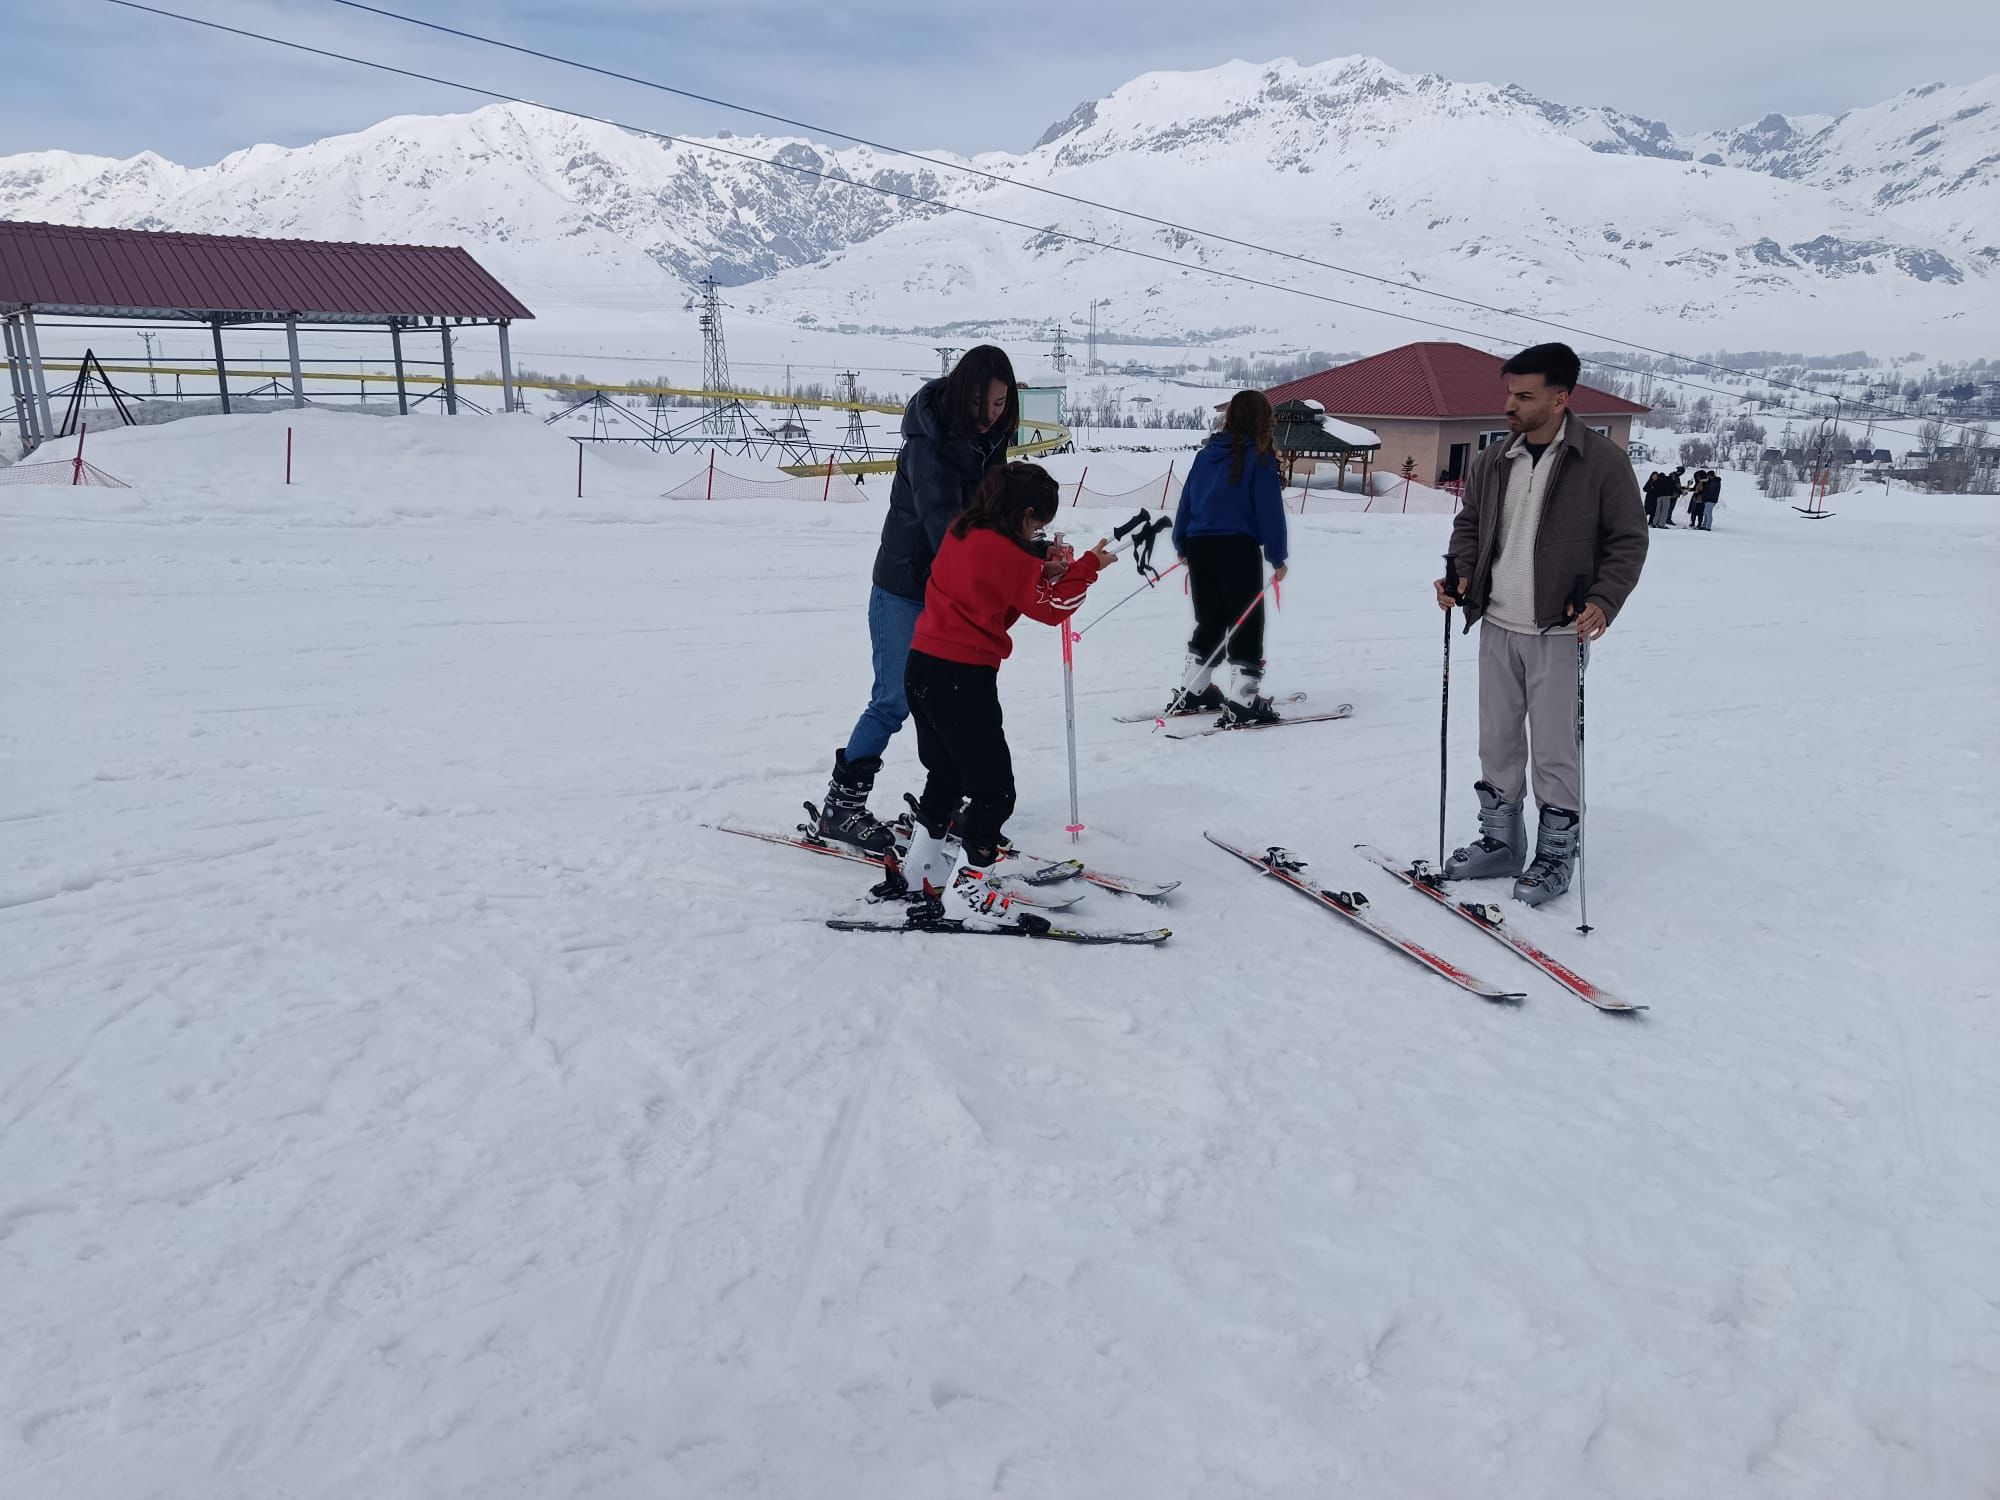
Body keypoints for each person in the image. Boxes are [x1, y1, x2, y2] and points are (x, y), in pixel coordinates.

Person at [1433, 342, 1649, 907]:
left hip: (1559, 628)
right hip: (1497, 621)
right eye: (1509, 392)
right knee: (1497, 742)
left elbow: (1628, 540)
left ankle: (1556, 851)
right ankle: (1502, 840)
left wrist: (1605, 598)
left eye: (1524, 395)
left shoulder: (1601, 463)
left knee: (1555, 748)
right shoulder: (1493, 459)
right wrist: (1458, 576)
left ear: (1560, 399)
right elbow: (1471, 525)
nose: (1511, 404)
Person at [817, 346, 1020, 853]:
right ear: (961, 394)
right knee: (893, 698)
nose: (991, 416)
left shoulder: (988, 442)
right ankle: (841, 806)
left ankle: (941, 802)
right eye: (983, 404)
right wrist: (1006, 560)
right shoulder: (929, 445)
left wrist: (1029, 547)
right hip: (906, 587)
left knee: (948, 697)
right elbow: (946, 528)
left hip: (949, 589)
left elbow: (990, 518)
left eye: (1001, 405)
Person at [898, 463, 1115, 925]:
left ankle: (917, 869)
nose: (1039, 531)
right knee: (995, 791)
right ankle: (967, 893)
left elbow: (1000, 577)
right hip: (962, 677)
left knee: (947, 772)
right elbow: (1053, 608)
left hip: (922, 666)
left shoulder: (963, 529)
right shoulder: (1012, 556)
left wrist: (1043, 564)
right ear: (1025, 513)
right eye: (1038, 523)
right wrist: (1086, 567)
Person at [1168, 390, 1290, 725]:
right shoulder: (1260, 457)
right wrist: (1277, 557)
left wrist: (1182, 544)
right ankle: (1243, 700)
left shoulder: (1206, 455)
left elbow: (1187, 502)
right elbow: (1269, 511)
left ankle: (1194, 689)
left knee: (1210, 618)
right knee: (1245, 620)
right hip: (1237, 549)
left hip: (1199, 547)